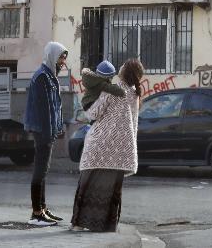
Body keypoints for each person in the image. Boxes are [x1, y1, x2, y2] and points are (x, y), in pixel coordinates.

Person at [70, 58, 143, 233]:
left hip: (99, 146)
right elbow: (134, 124)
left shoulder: (113, 91)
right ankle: (107, 225)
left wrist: (87, 99)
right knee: (111, 191)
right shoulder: (135, 94)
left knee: (88, 186)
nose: (120, 67)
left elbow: (93, 114)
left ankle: (80, 223)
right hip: (121, 151)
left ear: (125, 72)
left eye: (123, 66)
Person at [22, 42, 68, 226]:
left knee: (44, 170)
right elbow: (45, 110)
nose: (63, 62)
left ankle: (43, 208)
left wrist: (58, 128)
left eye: (64, 58)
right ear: (52, 56)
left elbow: (56, 107)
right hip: (43, 130)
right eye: (61, 57)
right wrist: (51, 133)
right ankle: (36, 213)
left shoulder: (49, 75)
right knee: (40, 170)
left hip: (47, 130)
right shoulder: (42, 77)